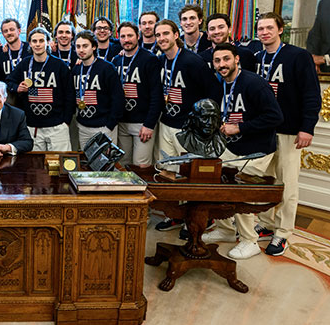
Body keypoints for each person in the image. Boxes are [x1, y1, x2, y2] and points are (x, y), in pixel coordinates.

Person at [201, 43, 284, 260]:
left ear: (237, 59)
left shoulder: (254, 83)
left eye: (226, 59)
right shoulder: (221, 84)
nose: (222, 64)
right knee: (216, 183)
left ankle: (250, 241)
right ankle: (226, 231)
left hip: (256, 149)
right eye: (217, 61)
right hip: (231, 147)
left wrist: (239, 127)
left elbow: (275, 117)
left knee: (240, 192)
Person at [254, 12, 321, 256]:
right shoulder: (257, 57)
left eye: (269, 28)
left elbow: (312, 94)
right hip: (263, 129)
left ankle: (282, 232)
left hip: (290, 131)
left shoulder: (298, 56)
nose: (264, 32)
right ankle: (266, 222)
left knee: (287, 183)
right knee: (264, 180)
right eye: (260, 29)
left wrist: (307, 128)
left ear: (280, 29)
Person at [154, 19, 220, 231]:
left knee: (190, 174)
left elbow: (213, 92)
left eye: (166, 33)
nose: (162, 38)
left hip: (188, 128)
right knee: (167, 169)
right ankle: (174, 214)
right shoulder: (160, 61)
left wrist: (205, 124)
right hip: (166, 122)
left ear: (176, 35)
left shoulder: (193, 62)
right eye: (158, 35)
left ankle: (194, 220)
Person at [7, 27, 75, 151]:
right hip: (32, 127)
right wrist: (17, 88)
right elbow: (9, 82)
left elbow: (69, 95)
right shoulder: (24, 64)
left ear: (48, 42)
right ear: (30, 44)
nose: (38, 44)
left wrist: (66, 121)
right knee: (35, 166)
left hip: (57, 126)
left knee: (60, 165)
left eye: (41, 41)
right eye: (34, 41)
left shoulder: (60, 65)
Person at [113, 22, 163, 167]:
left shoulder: (150, 59)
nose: (127, 39)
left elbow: (156, 94)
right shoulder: (116, 60)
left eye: (130, 35)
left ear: (138, 36)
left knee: (141, 165)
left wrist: (149, 124)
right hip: (122, 122)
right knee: (122, 164)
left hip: (142, 123)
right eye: (123, 36)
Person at [72, 30, 124, 150]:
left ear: (94, 47)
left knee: (106, 165)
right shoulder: (76, 69)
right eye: (78, 46)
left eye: (85, 46)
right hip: (83, 126)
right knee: (86, 164)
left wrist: (110, 124)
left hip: (104, 127)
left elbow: (118, 98)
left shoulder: (107, 68)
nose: (81, 50)